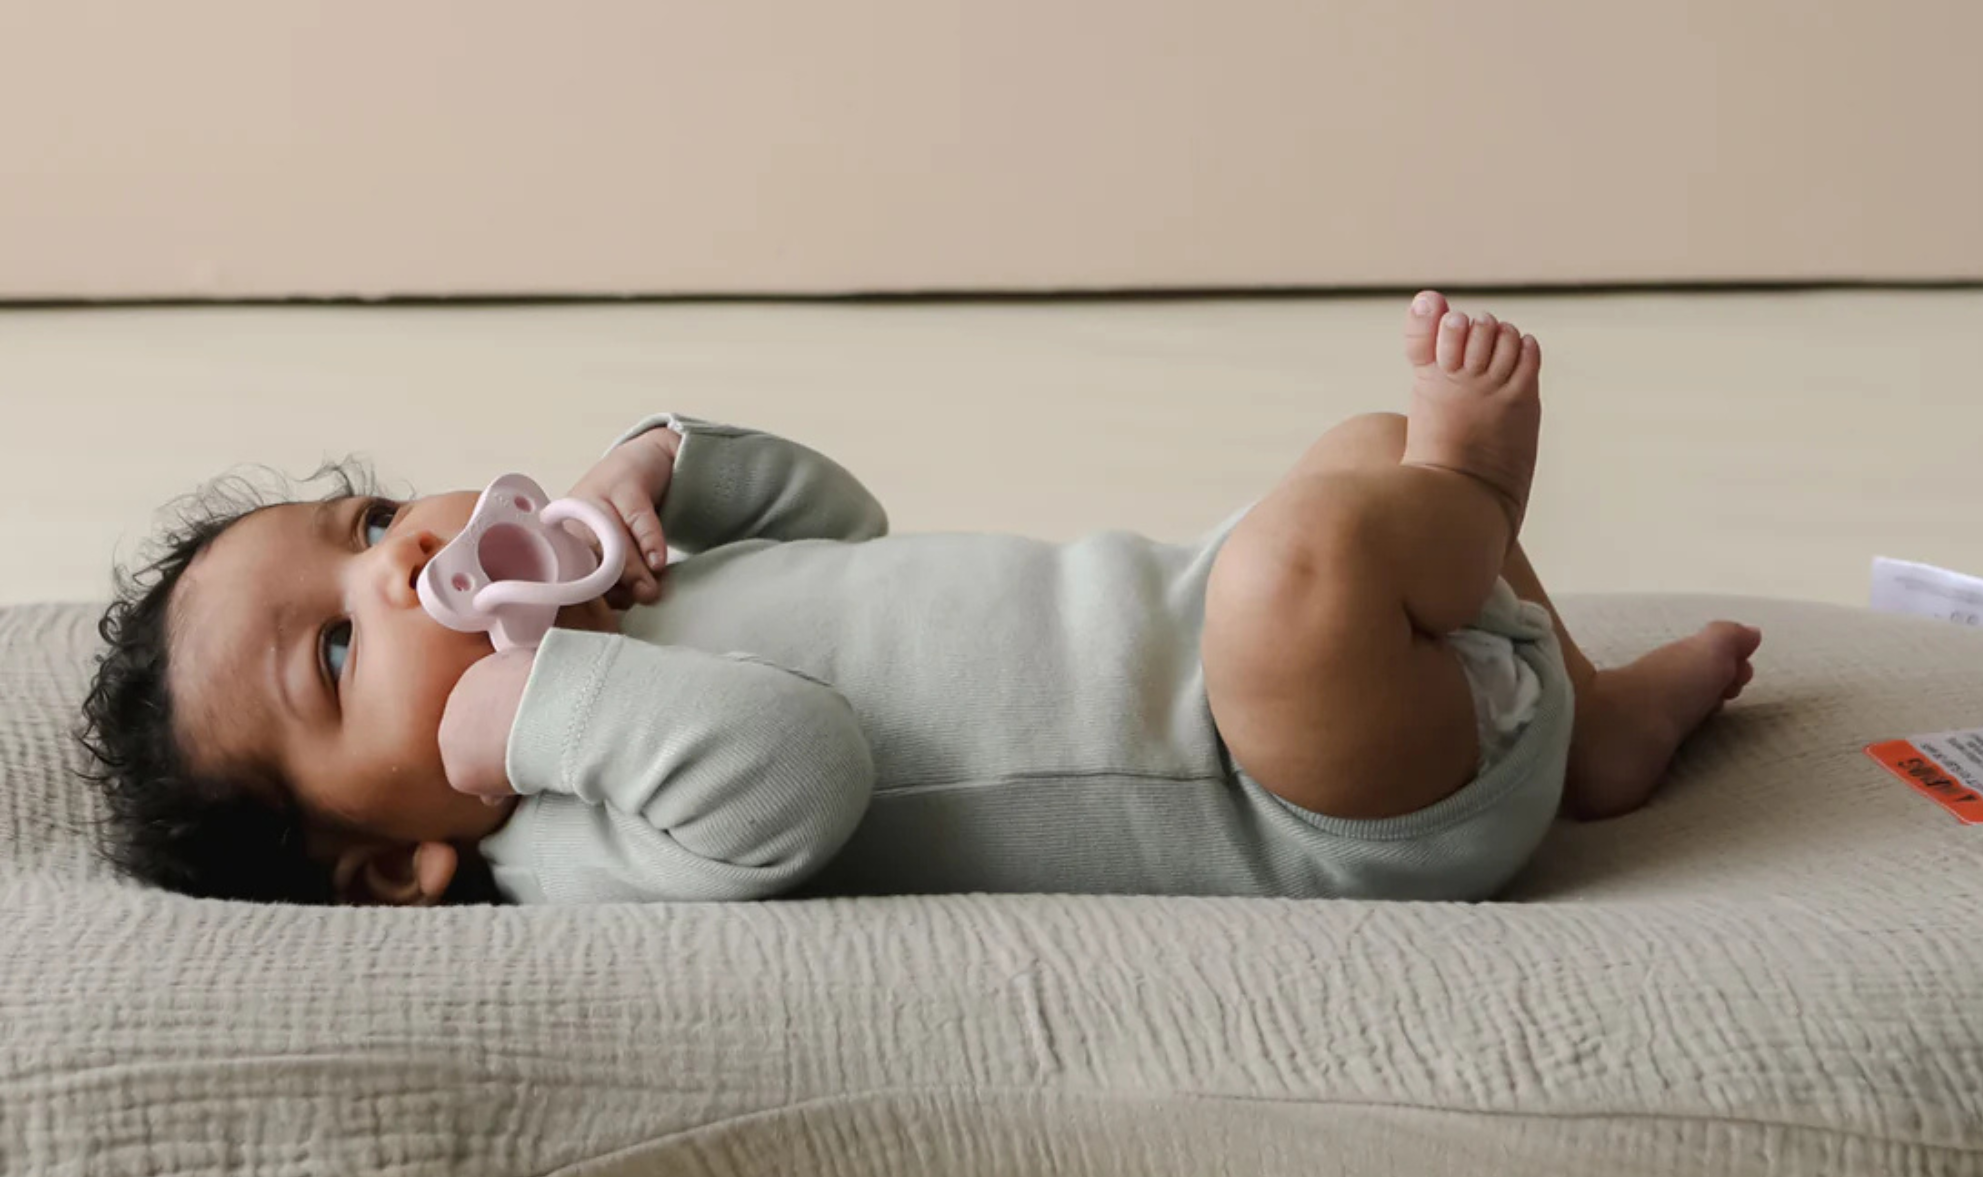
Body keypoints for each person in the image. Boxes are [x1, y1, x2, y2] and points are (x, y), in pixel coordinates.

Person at [75, 293, 1759, 908]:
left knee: (1351, 462)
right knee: (1311, 565)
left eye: (369, 521)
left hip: (1253, 644)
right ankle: (1477, 506)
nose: (395, 561)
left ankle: (1583, 718)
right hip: (1309, 798)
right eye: (342, 644)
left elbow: (850, 527)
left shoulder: (623, 606)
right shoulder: (576, 840)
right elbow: (800, 779)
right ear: (396, 865)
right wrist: (549, 713)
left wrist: (666, 468)